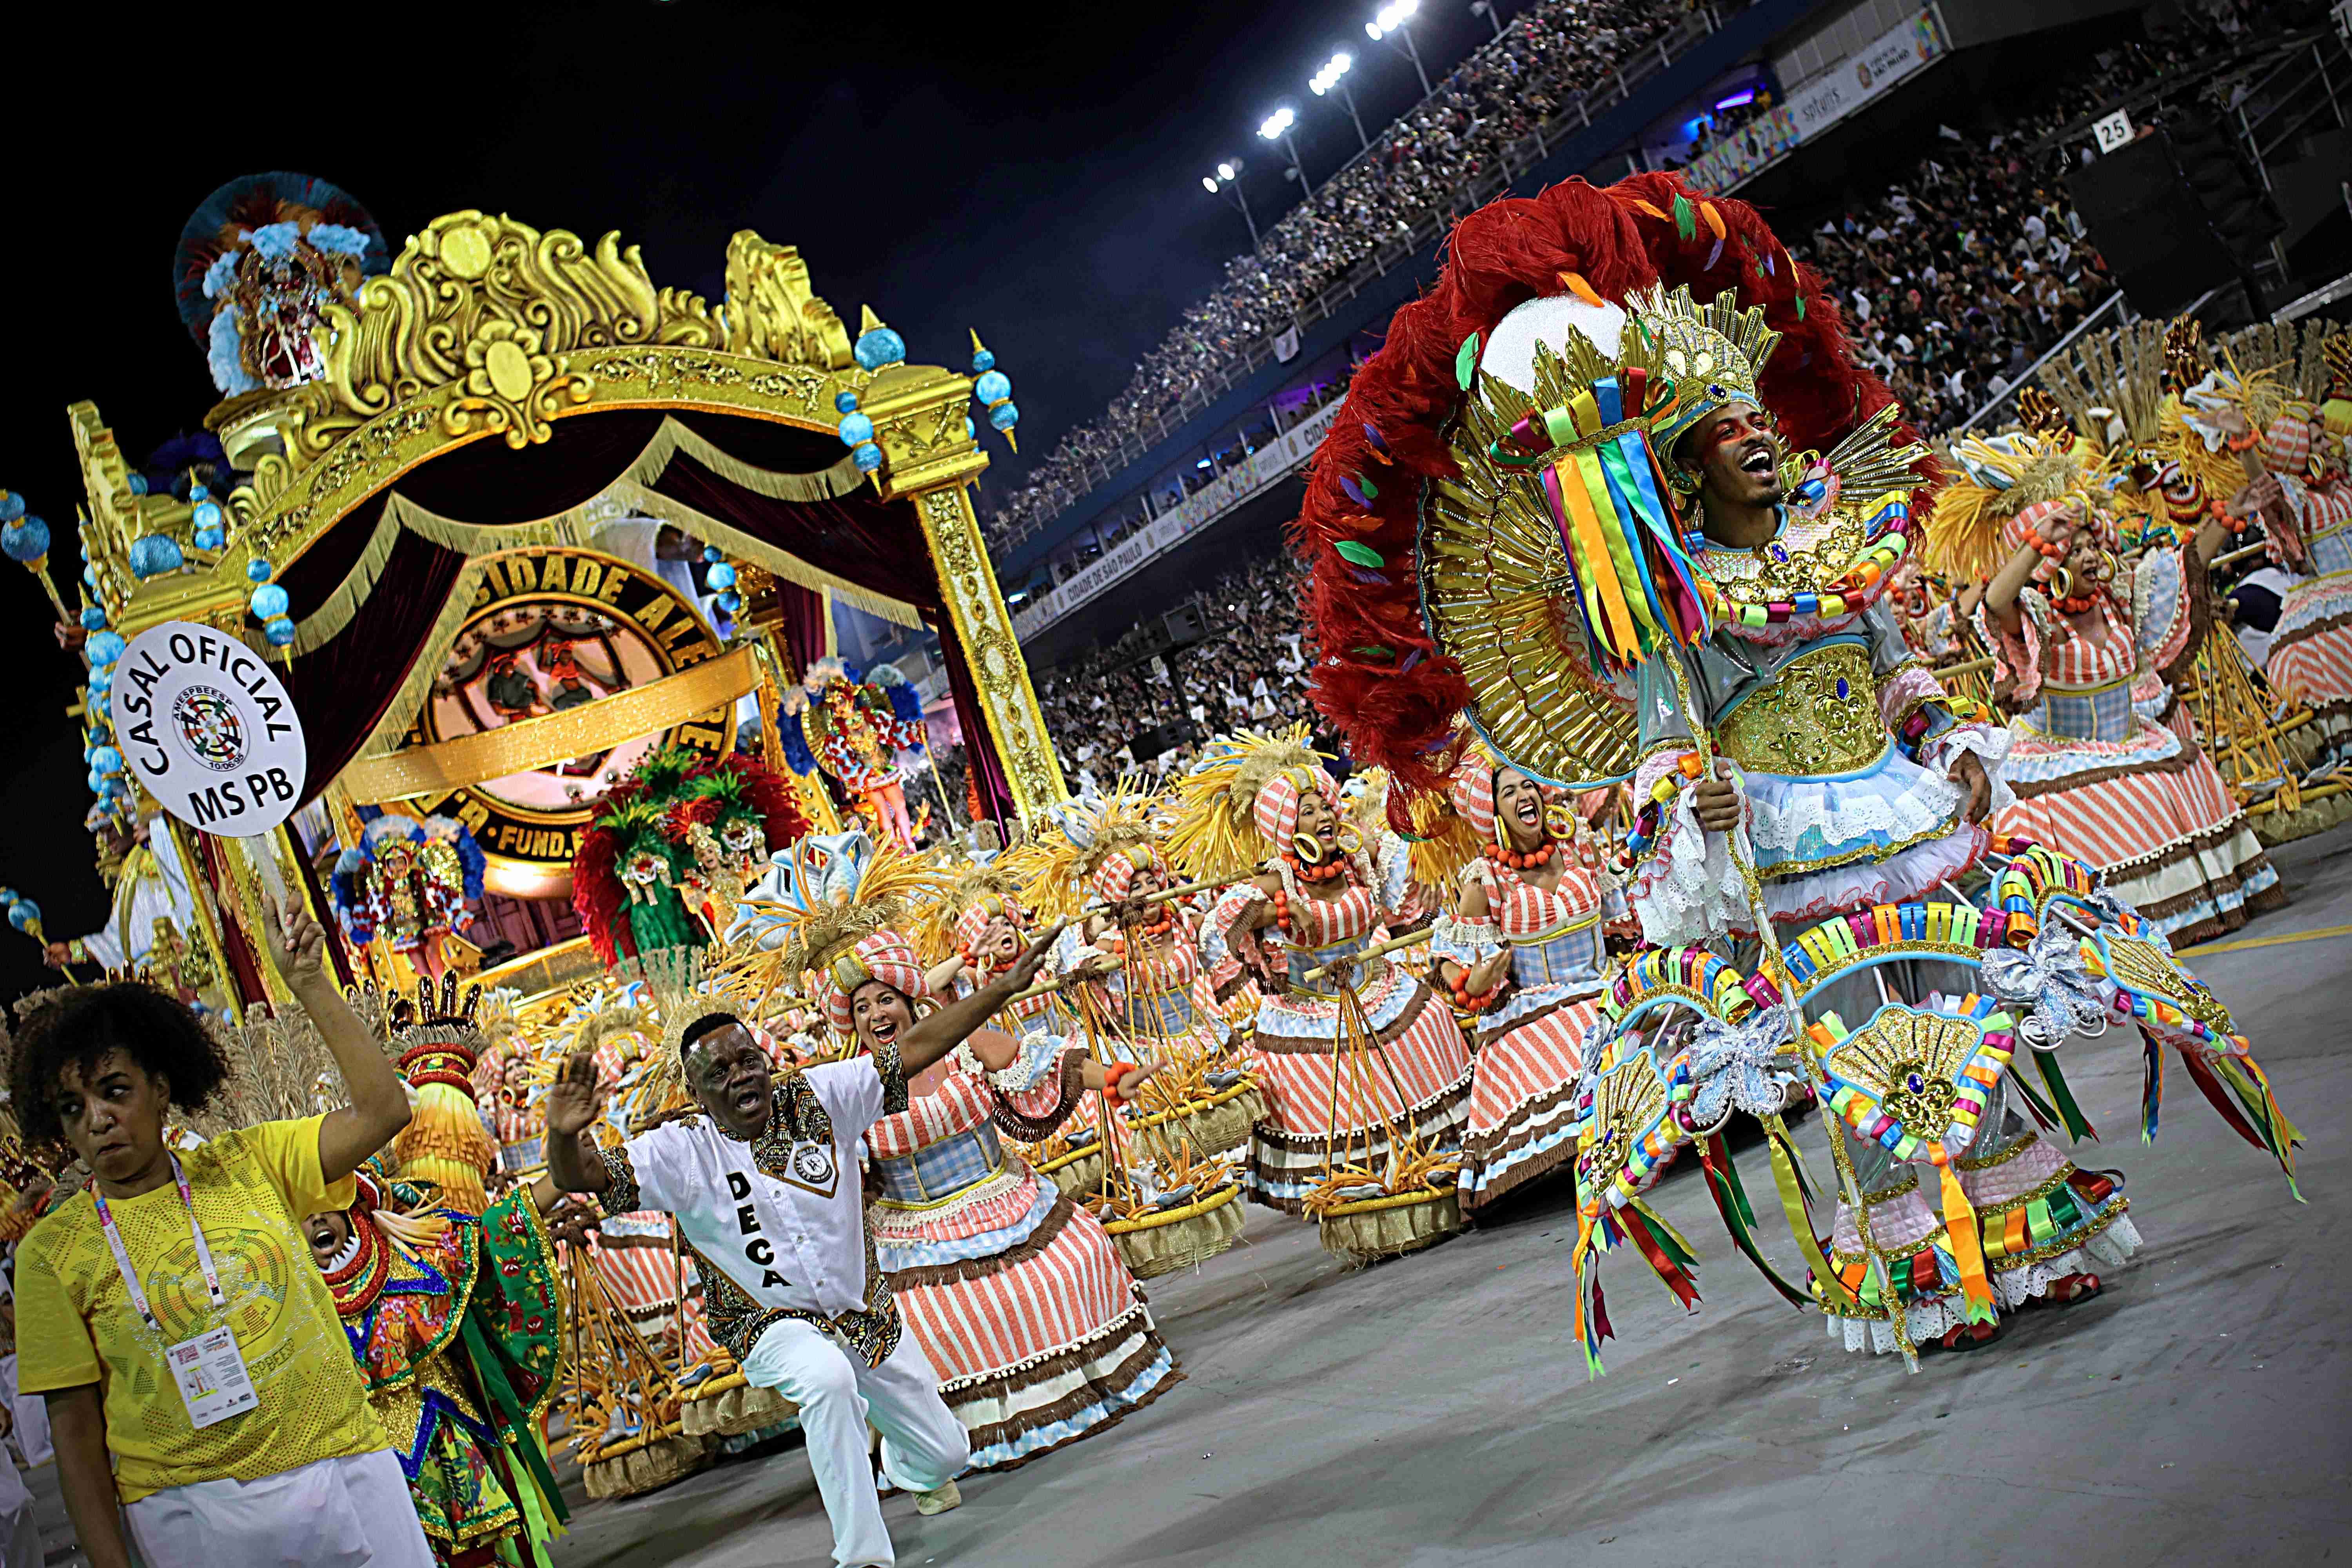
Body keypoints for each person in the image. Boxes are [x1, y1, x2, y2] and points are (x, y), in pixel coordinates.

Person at [543, 854, 1061, 1568]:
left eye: (747, 1060)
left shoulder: (818, 1095)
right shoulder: (679, 1150)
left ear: (765, 1060)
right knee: (825, 1379)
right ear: (696, 1093)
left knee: (948, 1451)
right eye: (719, 1073)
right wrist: (561, 1136)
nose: (741, 1077)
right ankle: (864, 1556)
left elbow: (914, 1048)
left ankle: (912, 1470)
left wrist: (998, 990)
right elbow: (591, 1178)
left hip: (864, 1310)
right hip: (770, 1324)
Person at [12, 898, 431, 1568]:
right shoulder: (51, 1255)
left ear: (159, 1088)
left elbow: (384, 1110)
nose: (97, 1120)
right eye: (73, 1107)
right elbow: (77, 1438)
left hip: (347, 1467)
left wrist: (310, 983)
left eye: (114, 1091)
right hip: (186, 1515)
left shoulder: (250, 1162)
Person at [1431, 750, 1611, 1211]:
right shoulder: (1485, 879)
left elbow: (1623, 915)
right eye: (1508, 792)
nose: (1524, 795)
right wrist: (1476, 981)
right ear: (1492, 813)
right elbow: (1452, 965)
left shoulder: (1579, 845)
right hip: (1538, 1008)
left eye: (1528, 785)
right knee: (1581, 1028)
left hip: (1604, 985)